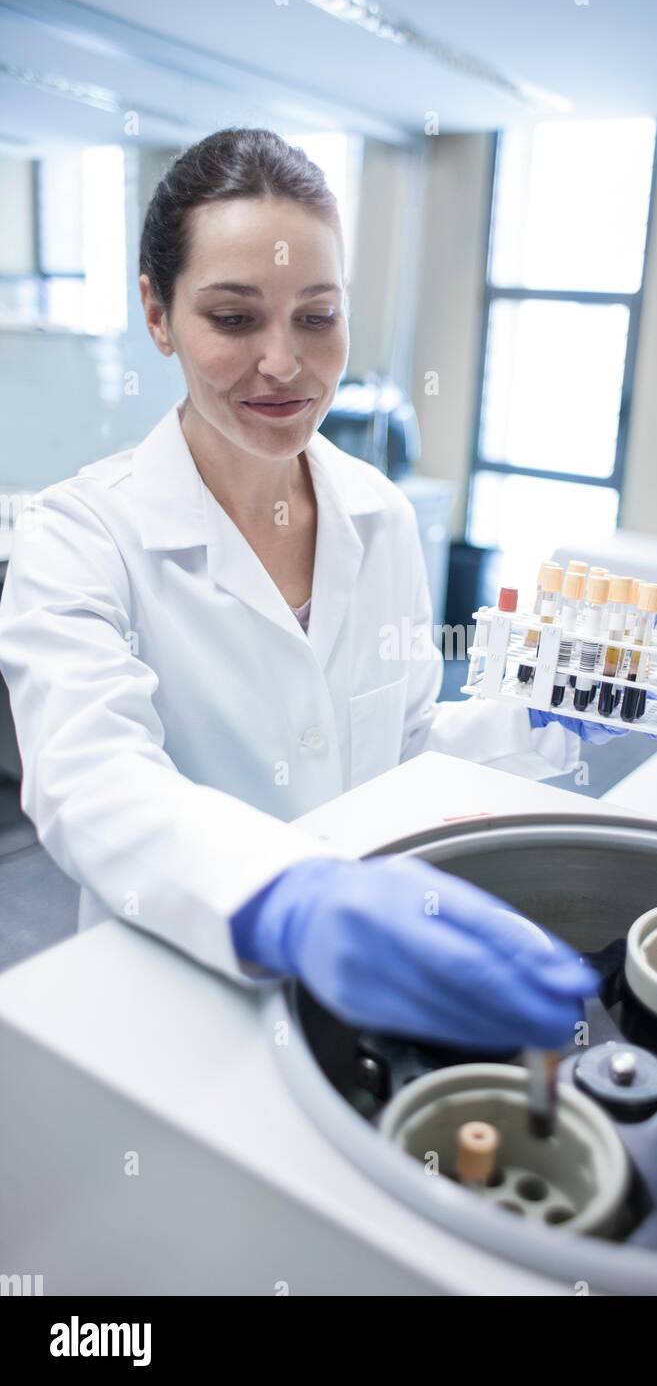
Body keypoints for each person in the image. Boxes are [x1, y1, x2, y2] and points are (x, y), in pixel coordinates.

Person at [0, 128, 625, 1050]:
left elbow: (401, 746)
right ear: (159, 313)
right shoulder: (78, 536)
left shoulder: (381, 517)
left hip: (370, 985)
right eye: (234, 317)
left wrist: (537, 723)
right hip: (178, 987)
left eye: (317, 315)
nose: (285, 364)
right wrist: (287, 898)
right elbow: (92, 782)